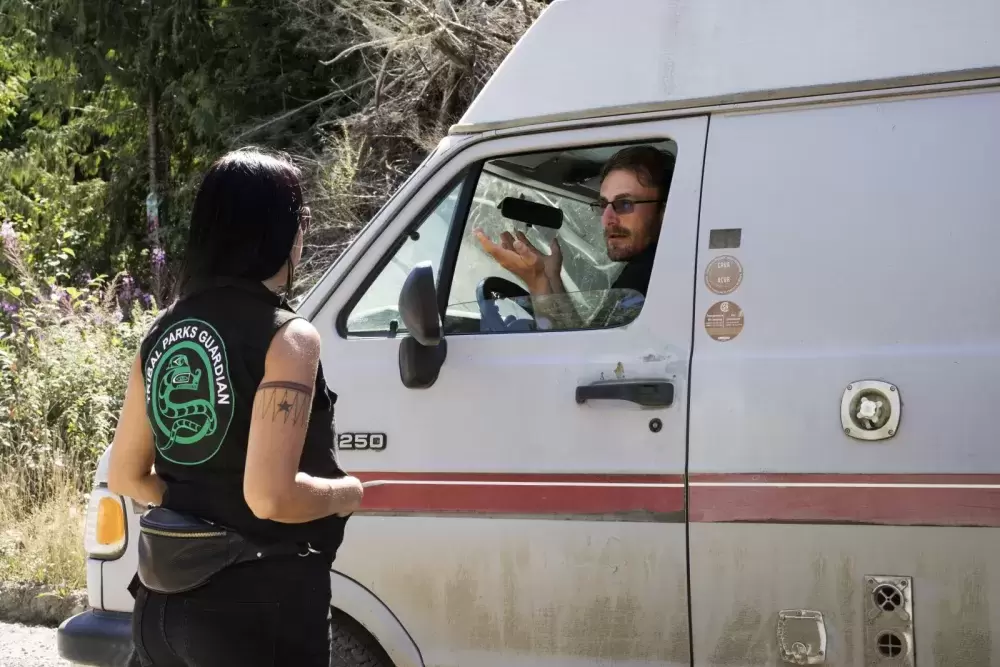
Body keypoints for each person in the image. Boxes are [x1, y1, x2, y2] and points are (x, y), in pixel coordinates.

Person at [108, 147, 363, 667]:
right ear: (275, 230)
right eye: (301, 219)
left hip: (160, 612)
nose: (303, 233)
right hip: (255, 612)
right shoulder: (290, 338)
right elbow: (270, 497)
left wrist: (199, 509)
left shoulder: (161, 332)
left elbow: (126, 476)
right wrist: (346, 492)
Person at [474, 145, 674, 328]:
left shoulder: (653, 278)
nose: (607, 219)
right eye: (603, 205)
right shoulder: (648, 266)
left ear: (664, 211)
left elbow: (580, 360)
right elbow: (586, 336)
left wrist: (538, 283)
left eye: (625, 204)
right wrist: (551, 275)